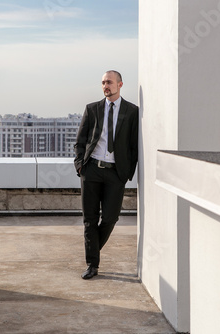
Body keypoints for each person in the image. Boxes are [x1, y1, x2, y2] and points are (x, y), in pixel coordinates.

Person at [74, 70, 139, 279]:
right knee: (89, 220)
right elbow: (80, 140)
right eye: (103, 83)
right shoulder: (92, 109)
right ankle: (92, 264)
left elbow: (133, 146)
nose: (105, 86)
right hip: (91, 170)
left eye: (109, 82)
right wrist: (80, 166)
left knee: (110, 218)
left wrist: (127, 173)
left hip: (115, 174)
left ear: (120, 84)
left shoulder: (132, 111)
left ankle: (92, 252)